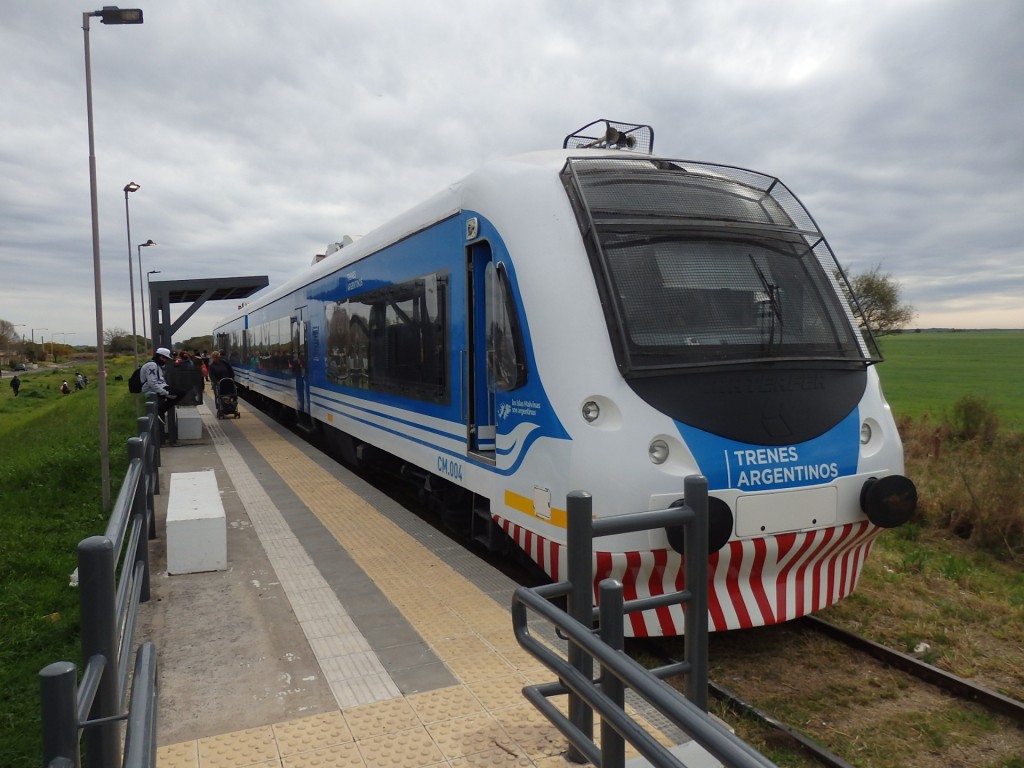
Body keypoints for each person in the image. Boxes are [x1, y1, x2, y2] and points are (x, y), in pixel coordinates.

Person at [140, 347, 185, 421]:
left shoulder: (156, 365)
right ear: (161, 357)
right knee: (181, 393)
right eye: (166, 359)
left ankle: (161, 411)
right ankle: (160, 411)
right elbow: (152, 382)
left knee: (179, 393)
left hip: (158, 387)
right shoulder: (152, 365)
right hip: (152, 389)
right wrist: (165, 393)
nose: (166, 361)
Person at [207, 350, 234, 416]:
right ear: (213, 358)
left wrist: (231, 378)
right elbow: (211, 375)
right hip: (218, 384)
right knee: (218, 396)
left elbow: (230, 370)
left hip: (227, 382)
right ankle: (220, 409)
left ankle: (229, 407)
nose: (216, 358)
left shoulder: (224, 363)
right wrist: (216, 382)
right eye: (215, 357)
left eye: (217, 357)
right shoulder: (211, 366)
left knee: (228, 395)